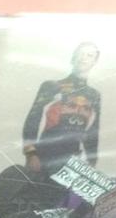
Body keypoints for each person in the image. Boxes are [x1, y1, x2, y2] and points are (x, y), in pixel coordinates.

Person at [21, 42, 101, 176]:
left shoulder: (94, 95)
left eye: (89, 55)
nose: (84, 58)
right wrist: (31, 154)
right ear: (73, 58)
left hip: (72, 159)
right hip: (44, 155)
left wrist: (92, 162)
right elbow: (33, 120)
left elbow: (93, 131)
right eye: (80, 54)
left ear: (94, 62)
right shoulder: (52, 86)